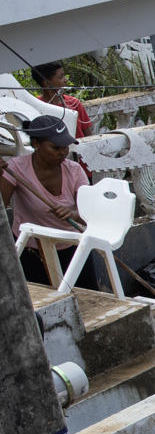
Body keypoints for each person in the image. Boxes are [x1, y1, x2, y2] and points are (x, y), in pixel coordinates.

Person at [2, 114, 90, 286]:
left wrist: (73, 213)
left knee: (89, 298)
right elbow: (2, 204)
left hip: (73, 247)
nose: (63, 153)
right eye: (56, 148)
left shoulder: (74, 170)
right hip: (32, 250)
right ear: (36, 144)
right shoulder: (16, 168)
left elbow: (90, 213)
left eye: (65, 147)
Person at [30, 62, 91, 139]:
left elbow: (88, 135)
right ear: (47, 83)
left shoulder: (74, 103)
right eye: (60, 77)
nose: (65, 80)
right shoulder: (36, 106)